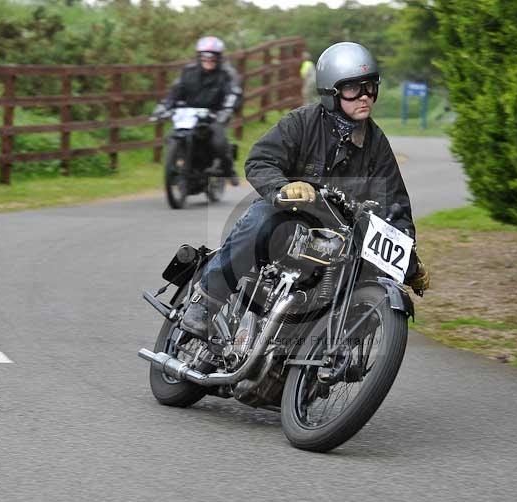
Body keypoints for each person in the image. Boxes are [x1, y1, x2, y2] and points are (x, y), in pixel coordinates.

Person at [181, 41, 430, 339]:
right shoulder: (302, 122)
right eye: (353, 89)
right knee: (262, 217)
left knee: (374, 280)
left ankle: (330, 352)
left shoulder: (377, 145)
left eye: (370, 87)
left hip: (337, 241)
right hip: (289, 224)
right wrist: (283, 187)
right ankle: (207, 299)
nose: (365, 96)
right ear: (331, 93)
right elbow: (260, 160)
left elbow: (396, 207)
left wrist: (408, 260)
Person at [160, 36, 243, 185]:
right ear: (199, 56)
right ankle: (178, 164)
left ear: (218, 57)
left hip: (215, 114)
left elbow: (234, 92)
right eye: (204, 56)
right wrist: (164, 106)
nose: (208, 60)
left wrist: (228, 108)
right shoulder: (188, 71)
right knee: (172, 136)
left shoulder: (227, 73)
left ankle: (228, 168)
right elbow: (176, 90)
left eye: (212, 56)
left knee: (218, 141)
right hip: (189, 114)